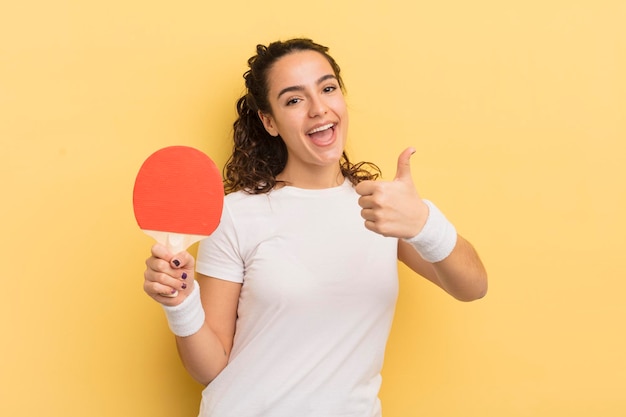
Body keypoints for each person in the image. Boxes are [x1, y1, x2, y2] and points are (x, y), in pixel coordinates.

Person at [143, 38, 488, 417]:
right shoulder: (236, 214)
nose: (319, 109)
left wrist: (424, 224)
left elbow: (472, 287)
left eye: (327, 88)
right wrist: (181, 303)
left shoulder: (383, 208)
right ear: (269, 121)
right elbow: (210, 368)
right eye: (294, 100)